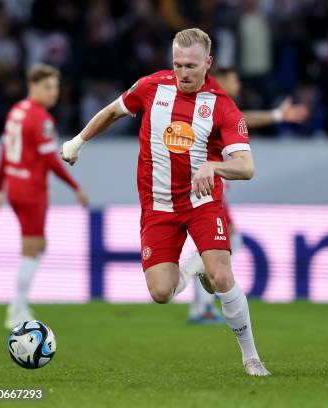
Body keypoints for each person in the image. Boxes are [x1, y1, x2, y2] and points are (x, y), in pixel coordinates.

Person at [61, 28, 270, 376]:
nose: (183, 73)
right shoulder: (150, 87)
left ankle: (251, 357)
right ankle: (194, 266)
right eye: (177, 64)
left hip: (202, 203)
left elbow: (247, 167)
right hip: (157, 206)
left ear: (208, 63)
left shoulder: (222, 106)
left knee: (222, 275)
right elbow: (113, 111)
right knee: (161, 292)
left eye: (191, 66)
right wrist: (78, 140)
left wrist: (214, 165)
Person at [184, 67, 309, 324]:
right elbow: (244, 119)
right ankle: (200, 301)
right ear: (222, 79)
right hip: (207, 183)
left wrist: (276, 115)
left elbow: (241, 119)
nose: (238, 83)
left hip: (212, 183)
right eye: (235, 78)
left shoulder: (218, 104)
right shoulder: (210, 101)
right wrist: (276, 115)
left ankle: (202, 302)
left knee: (229, 242)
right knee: (225, 242)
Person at [0, 63, 88, 330]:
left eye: (55, 87)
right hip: (32, 191)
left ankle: (19, 305)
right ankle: (17, 309)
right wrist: (76, 187)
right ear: (33, 87)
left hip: (14, 188)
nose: (53, 93)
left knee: (37, 246)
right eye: (48, 87)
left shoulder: (16, 112)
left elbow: (4, 154)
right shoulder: (42, 119)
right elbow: (52, 162)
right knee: (32, 249)